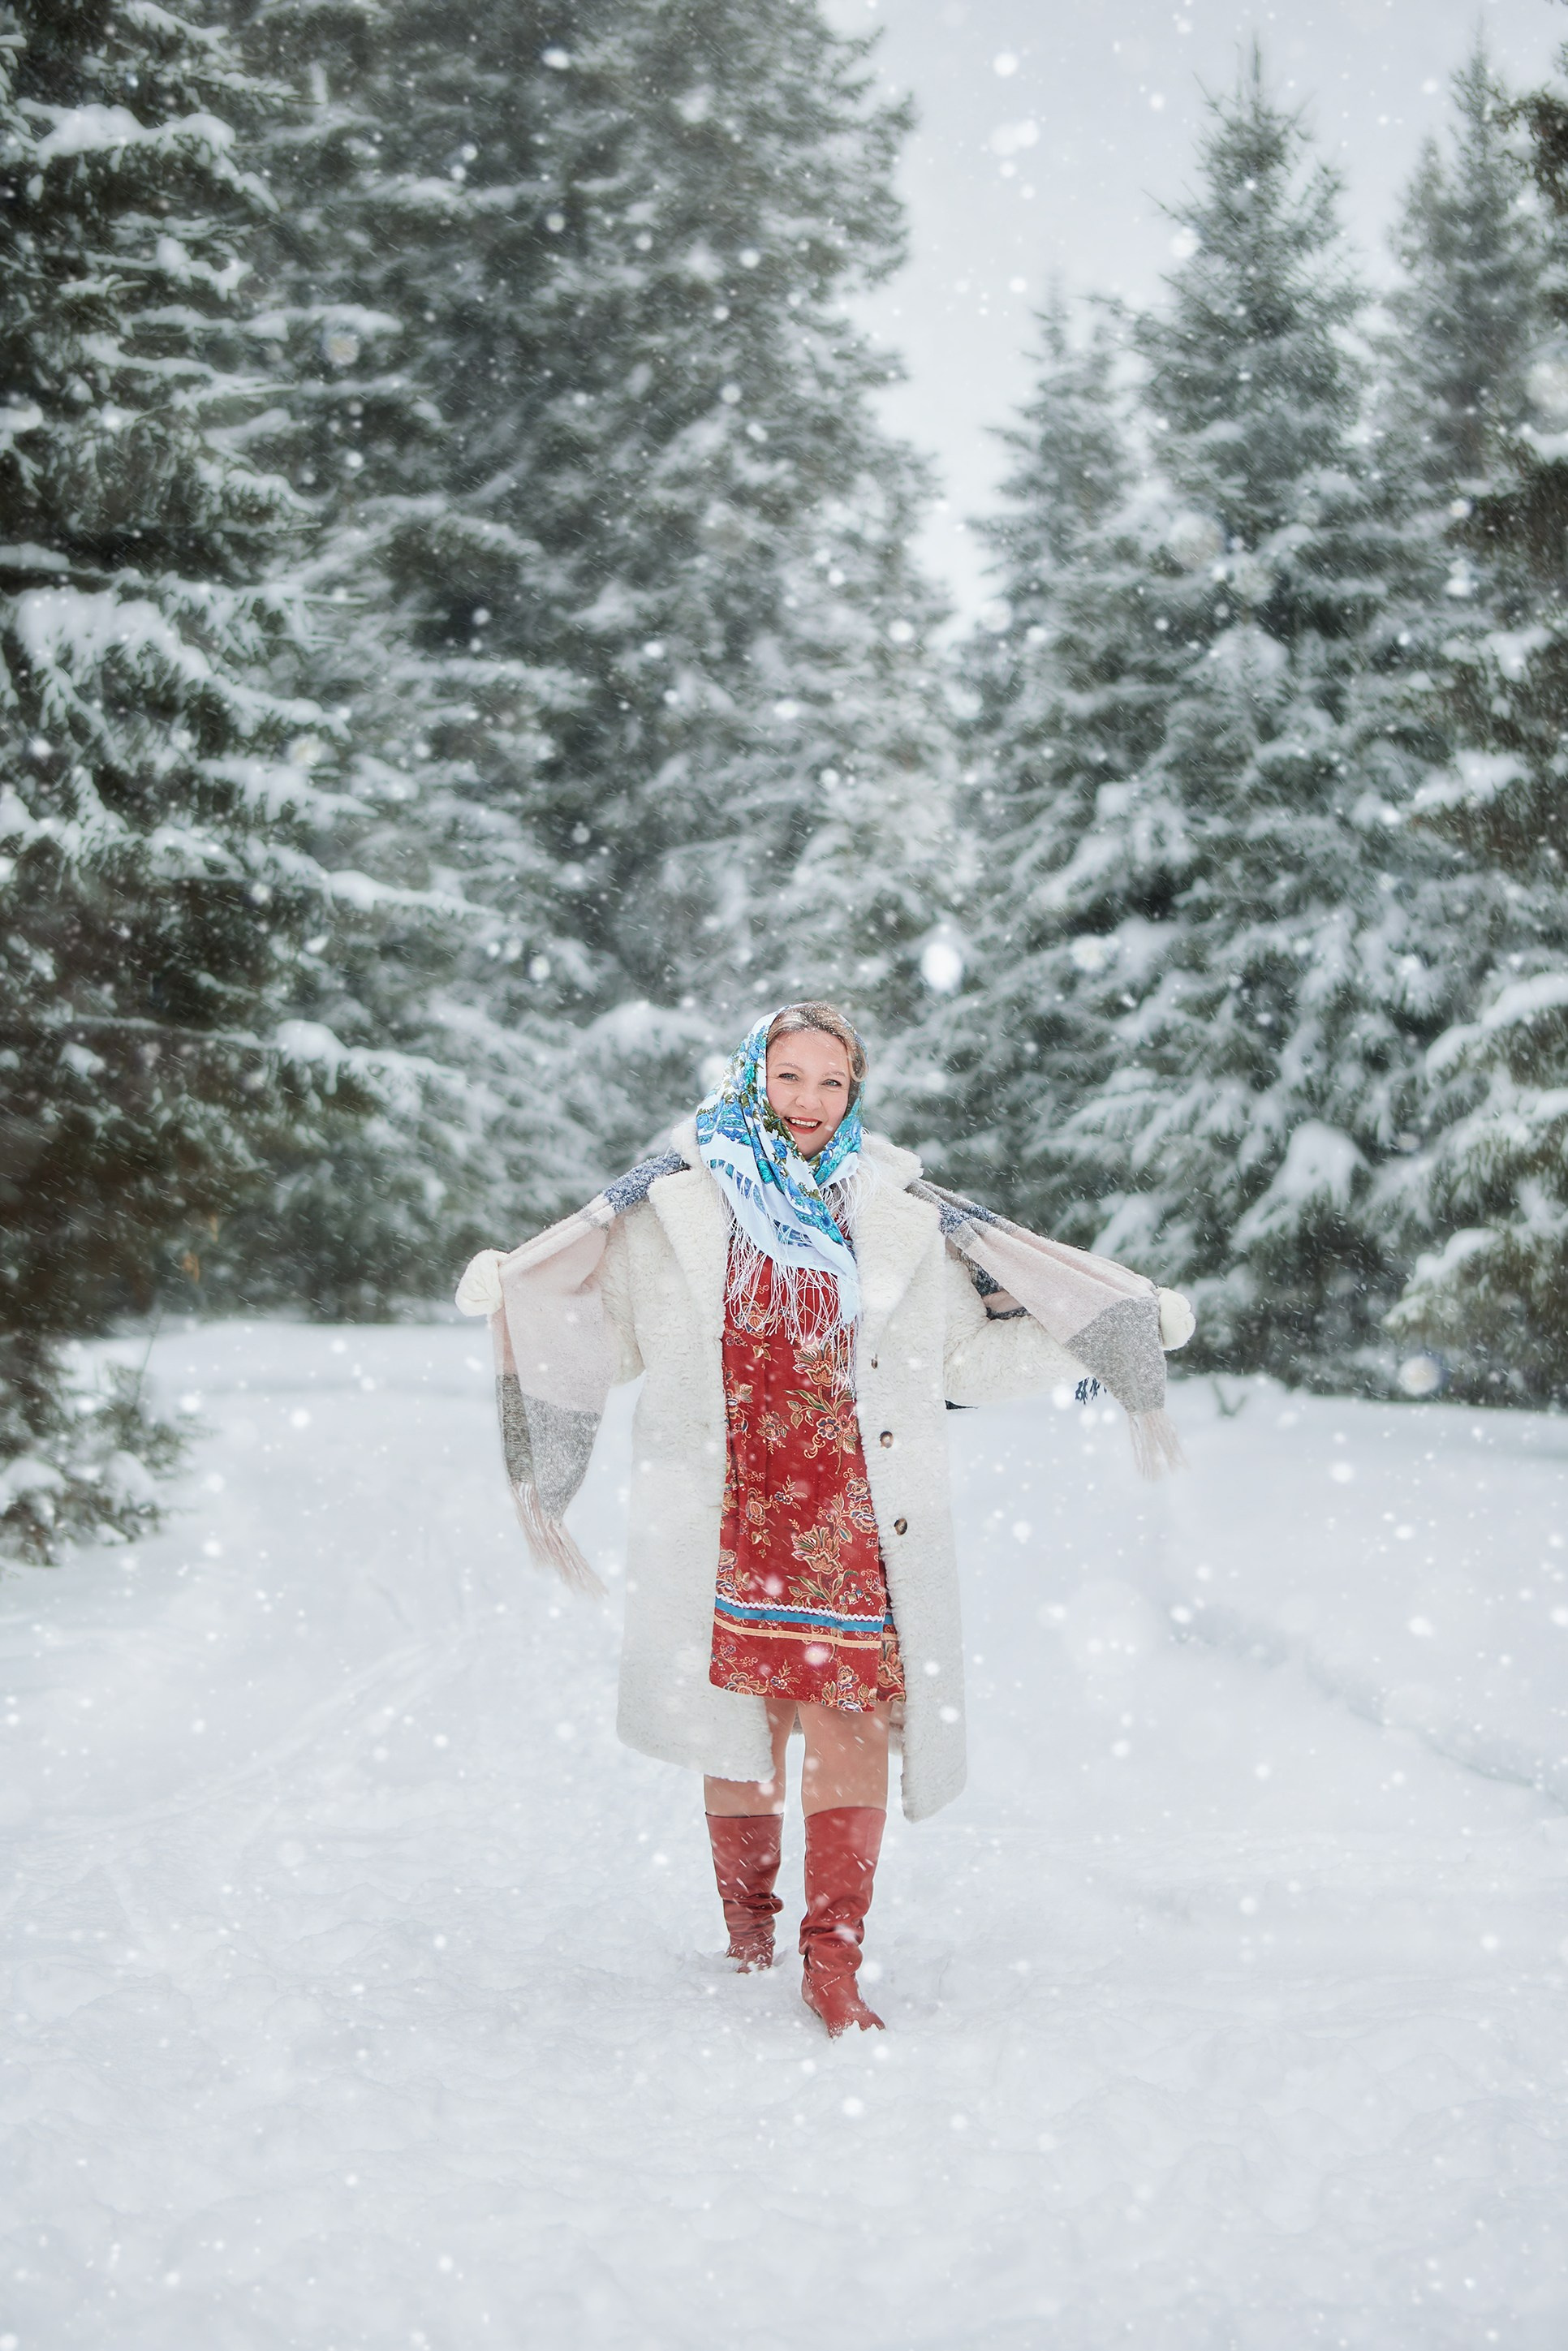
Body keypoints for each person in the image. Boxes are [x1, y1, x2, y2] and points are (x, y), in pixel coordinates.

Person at [457, 1002, 1192, 2036]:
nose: (808, 1101)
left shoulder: (899, 1216)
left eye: (831, 1082)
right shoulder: (674, 1206)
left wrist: (1108, 1335)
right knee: (741, 1728)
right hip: (726, 1505)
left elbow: (967, 1359)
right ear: (755, 1076)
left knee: (847, 1722)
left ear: (856, 1092)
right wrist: (519, 1294)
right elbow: (607, 1338)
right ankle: (749, 1932)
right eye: (790, 1077)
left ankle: (831, 1957)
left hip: (851, 1507)